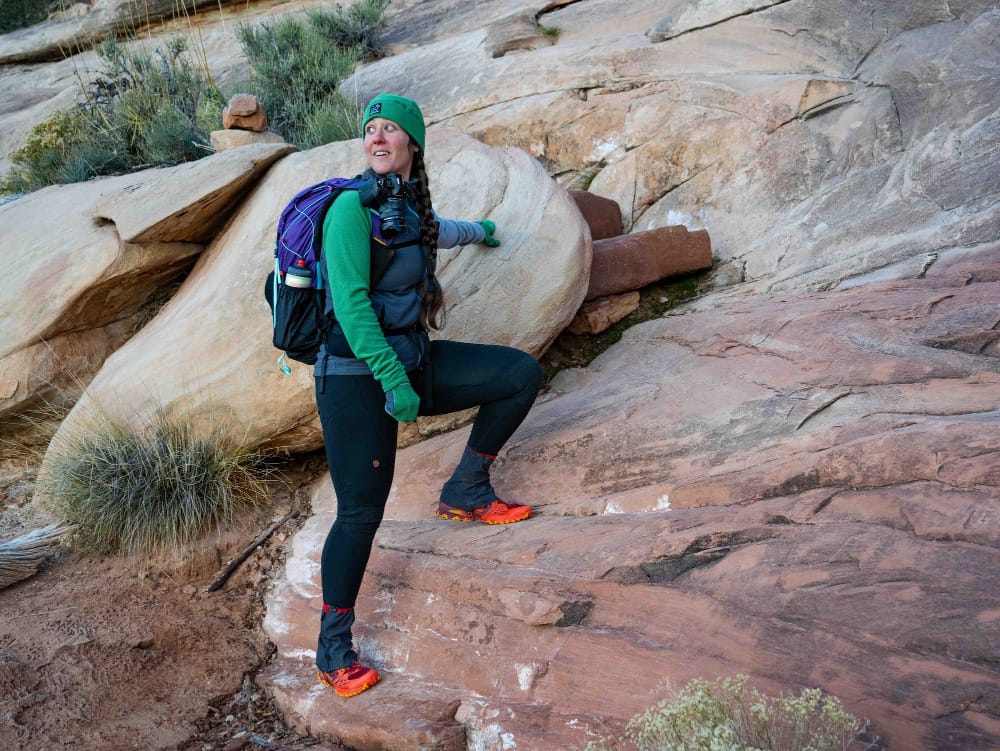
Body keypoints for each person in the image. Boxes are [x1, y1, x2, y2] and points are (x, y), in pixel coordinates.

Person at [313, 93, 542, 698]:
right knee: (361, 514)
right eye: (372, 130)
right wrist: (393, 382)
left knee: (518, 374)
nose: (379, 138)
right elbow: (355, 307)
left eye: (391, 129)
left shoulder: (410, 205)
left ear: (414, 143)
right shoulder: (348, 209)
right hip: (356, 378)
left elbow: (439, 233)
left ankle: (466, 489)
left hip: (412, 364)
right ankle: (332, 649)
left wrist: (485, 230)